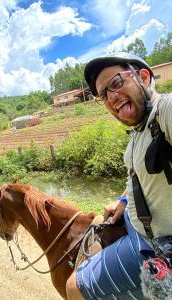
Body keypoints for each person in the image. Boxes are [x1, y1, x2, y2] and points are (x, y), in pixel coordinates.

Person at [66, 52, 172, 299]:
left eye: (116, 83)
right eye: (103, 95)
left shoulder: (164, 111)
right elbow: (135, 180)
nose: (111, 97)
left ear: (144, 77)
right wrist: (123, 201)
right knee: (92, 233)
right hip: (134, 225)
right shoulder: (135, 137)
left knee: (72, 287)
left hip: (153, 244)